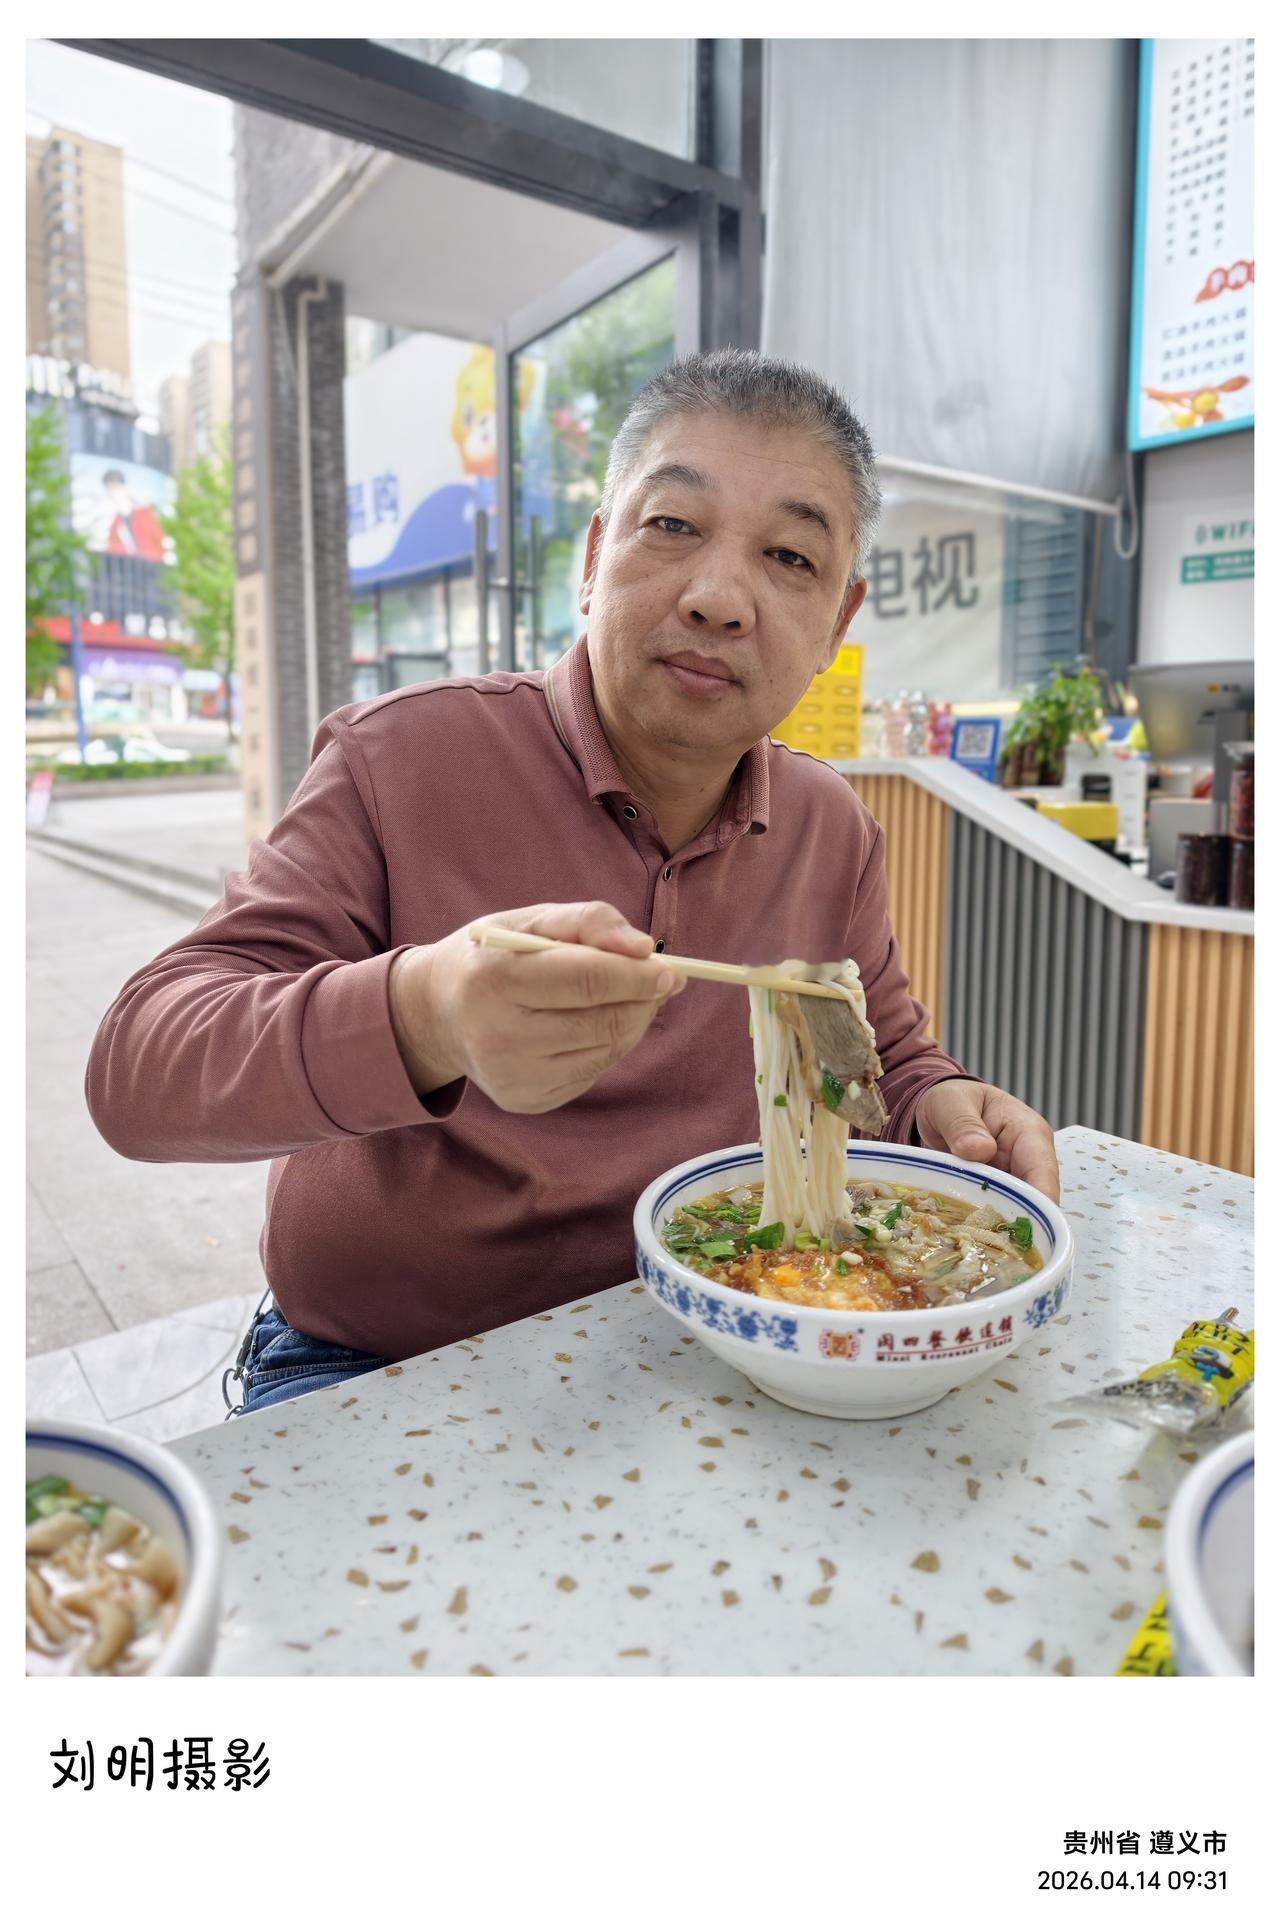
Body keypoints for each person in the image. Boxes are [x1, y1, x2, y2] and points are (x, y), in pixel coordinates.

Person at [86, 349, 1058, 1413]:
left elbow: (882, 1057)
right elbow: (140, 1070)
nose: (719, 599)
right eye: (672, 525)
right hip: (375, 1365)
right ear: (593, 560)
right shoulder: (397, 759)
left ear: (836, 621)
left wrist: (942, 1106)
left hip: (709, 1338)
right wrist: (425, 1016)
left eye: (788, 556)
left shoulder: (831, 828)